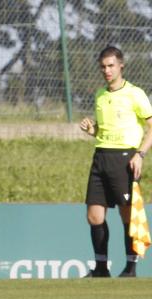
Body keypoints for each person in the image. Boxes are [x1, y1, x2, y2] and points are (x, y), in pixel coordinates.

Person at [80, 46, 152, 278]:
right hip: (100, 156)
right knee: (94, 215)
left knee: (127, 215)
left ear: (121, 65)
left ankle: (130, 268)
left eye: (111, 66)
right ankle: (101, 268)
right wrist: (93, 130)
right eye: (103, 66)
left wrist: (140, 154)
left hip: (125, 158)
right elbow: (105, 130)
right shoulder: (101, 95)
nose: (107, 70)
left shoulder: (135, 94)